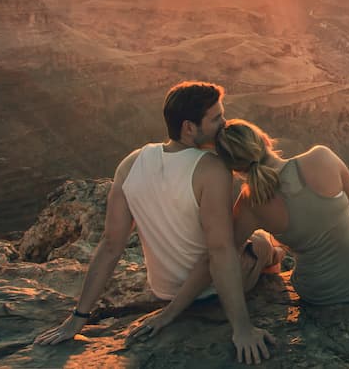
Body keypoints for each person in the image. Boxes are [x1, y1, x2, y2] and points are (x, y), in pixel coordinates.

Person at [34, 82, 276, 365]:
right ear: (189, 127)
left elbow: (111, 245)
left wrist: (78, 319)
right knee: (261, 241)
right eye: (215, 118)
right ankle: (276, 266)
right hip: (209, 292)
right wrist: (242, 329)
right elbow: (219, 251)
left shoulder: (131, 163)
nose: (224, 124)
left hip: (163, 290)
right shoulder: (211, 169)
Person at [135, 118, 349, 323]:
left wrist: (170, 312)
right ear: (263, 139)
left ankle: (276, 253)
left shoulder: (251, 204)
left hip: (321, 295)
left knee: (260, 242)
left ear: (234, 169)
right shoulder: (322, 156)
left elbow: (217, 256)